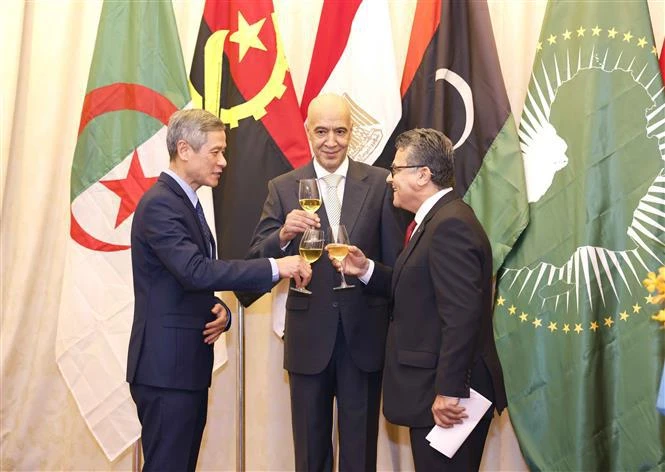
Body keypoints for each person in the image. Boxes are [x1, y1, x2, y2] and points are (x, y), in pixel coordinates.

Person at [126, 109, 311, 472]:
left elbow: (183, 282)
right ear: (184, 149)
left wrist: (222, 314)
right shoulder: (162, 204)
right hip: (166, 372)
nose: (224, 162)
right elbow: (194, 270)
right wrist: (276, 266)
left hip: (182, 368)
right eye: (215, 152)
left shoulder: (185, 203)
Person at [332, 128, 507, 471]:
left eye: (396, 170)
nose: (389, 179)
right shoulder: (435, 222)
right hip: (432, 391)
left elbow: (462, 316)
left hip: (450, 396)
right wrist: (366, 269)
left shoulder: (450, 226)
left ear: (423, 175)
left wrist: (450, 390)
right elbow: (419, 291)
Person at [246, 93, 403, 471]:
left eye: (339, 131)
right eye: (321, 131)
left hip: (363, 341)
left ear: (353, 133)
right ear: (307, 133)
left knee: (359, 457)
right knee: (310, 455)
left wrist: (366, 269)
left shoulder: (382, 183)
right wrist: (283, 234)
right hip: (308, 341)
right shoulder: (283, 187)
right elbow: (254, 262)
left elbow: (398, 272)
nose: (330, 141)